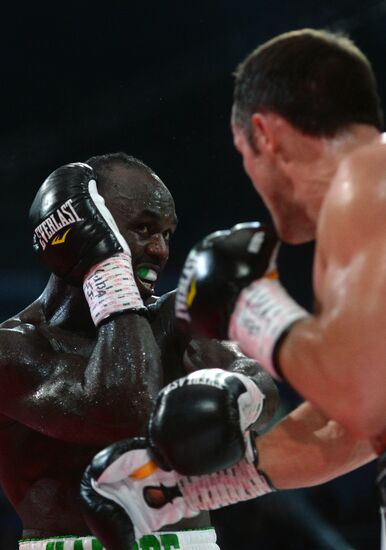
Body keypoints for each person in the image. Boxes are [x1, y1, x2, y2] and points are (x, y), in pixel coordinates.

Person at [165, 27, 385, 544]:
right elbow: (354, 425)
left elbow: (361, 395)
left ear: (264, 134)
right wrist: (194, 489)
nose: (250, 175)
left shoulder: (363, 179)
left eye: (244, 154)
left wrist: (249, 301)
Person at [0, 151, 278, 550]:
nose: (161, 251)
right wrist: (107, 268)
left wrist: (239, 398)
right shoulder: (13, 349)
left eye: (167, 234)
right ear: (83, 231)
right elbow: (123, 406)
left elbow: (261, 387)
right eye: (144, 228)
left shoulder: (177, 318)